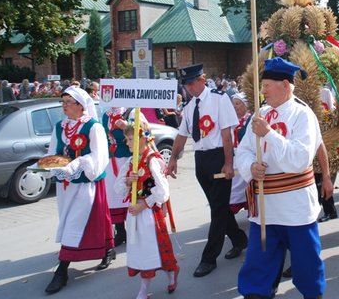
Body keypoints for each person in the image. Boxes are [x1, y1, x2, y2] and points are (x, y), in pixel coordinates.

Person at [235, 57, 326, 299]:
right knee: (257, 270)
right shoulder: (260, 113)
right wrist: (250, 167)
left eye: (266, 86)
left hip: (295, 209)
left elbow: (299, 159)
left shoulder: (302, 114)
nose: (262, 91)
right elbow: (242, 151)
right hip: (264, 210)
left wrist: (269, 134)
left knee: (307, 269)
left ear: (285, 85)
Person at [167, 63, 247, 278]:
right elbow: (182, 135)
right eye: (186, 85)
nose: (190, 88)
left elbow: (226, 134)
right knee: (217, 206)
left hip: (219, 155)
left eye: (192, 83)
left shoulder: (219, 99)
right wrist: (173, 158)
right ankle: (239, 239)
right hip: (201, 159)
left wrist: (228, 162)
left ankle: (208, 258)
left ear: (202, 80)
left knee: (218, 210)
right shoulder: (190, 106)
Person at [37, 87, 114, 294]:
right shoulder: (59, 127)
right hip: (66, 185)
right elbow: (53, 151)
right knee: (87, 220)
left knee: (75, 223)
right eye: (63, 102)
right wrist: (50, 164)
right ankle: (108, 248)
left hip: (86, 184)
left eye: (69, 102)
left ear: (81, 105)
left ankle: (61, 271)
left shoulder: (93, 126)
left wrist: (77, 163)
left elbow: (100, 158)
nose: (64, 107)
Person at [114, 120, 179, 299]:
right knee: (141, 251)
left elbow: (163, 191)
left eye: (129, 139)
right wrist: (128, 181)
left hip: (149, 213)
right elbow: (117, 188)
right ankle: (147, 286)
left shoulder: (153, 160)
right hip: (134, 213)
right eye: (127, 139)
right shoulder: (130, 162)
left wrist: (144, 204)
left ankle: (163, 279)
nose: (127, 143)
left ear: (142, 139)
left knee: (153, 250)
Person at [101, 107, 131, 249]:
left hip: (129, 158)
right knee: (114, 195)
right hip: (112, 160)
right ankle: (120, 231)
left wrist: (127, 127)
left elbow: (146, 134)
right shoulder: (106, 115)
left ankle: (135, 230)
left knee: (132, 194)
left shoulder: (132, 111)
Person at [229, 92, 251, 214]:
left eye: (238, 103)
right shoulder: (232, 121)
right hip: (234, 158)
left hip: (247, 157)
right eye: (234, 104)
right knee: (234, 185)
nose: (235, 107)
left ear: (245, 105)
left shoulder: (250, 120)